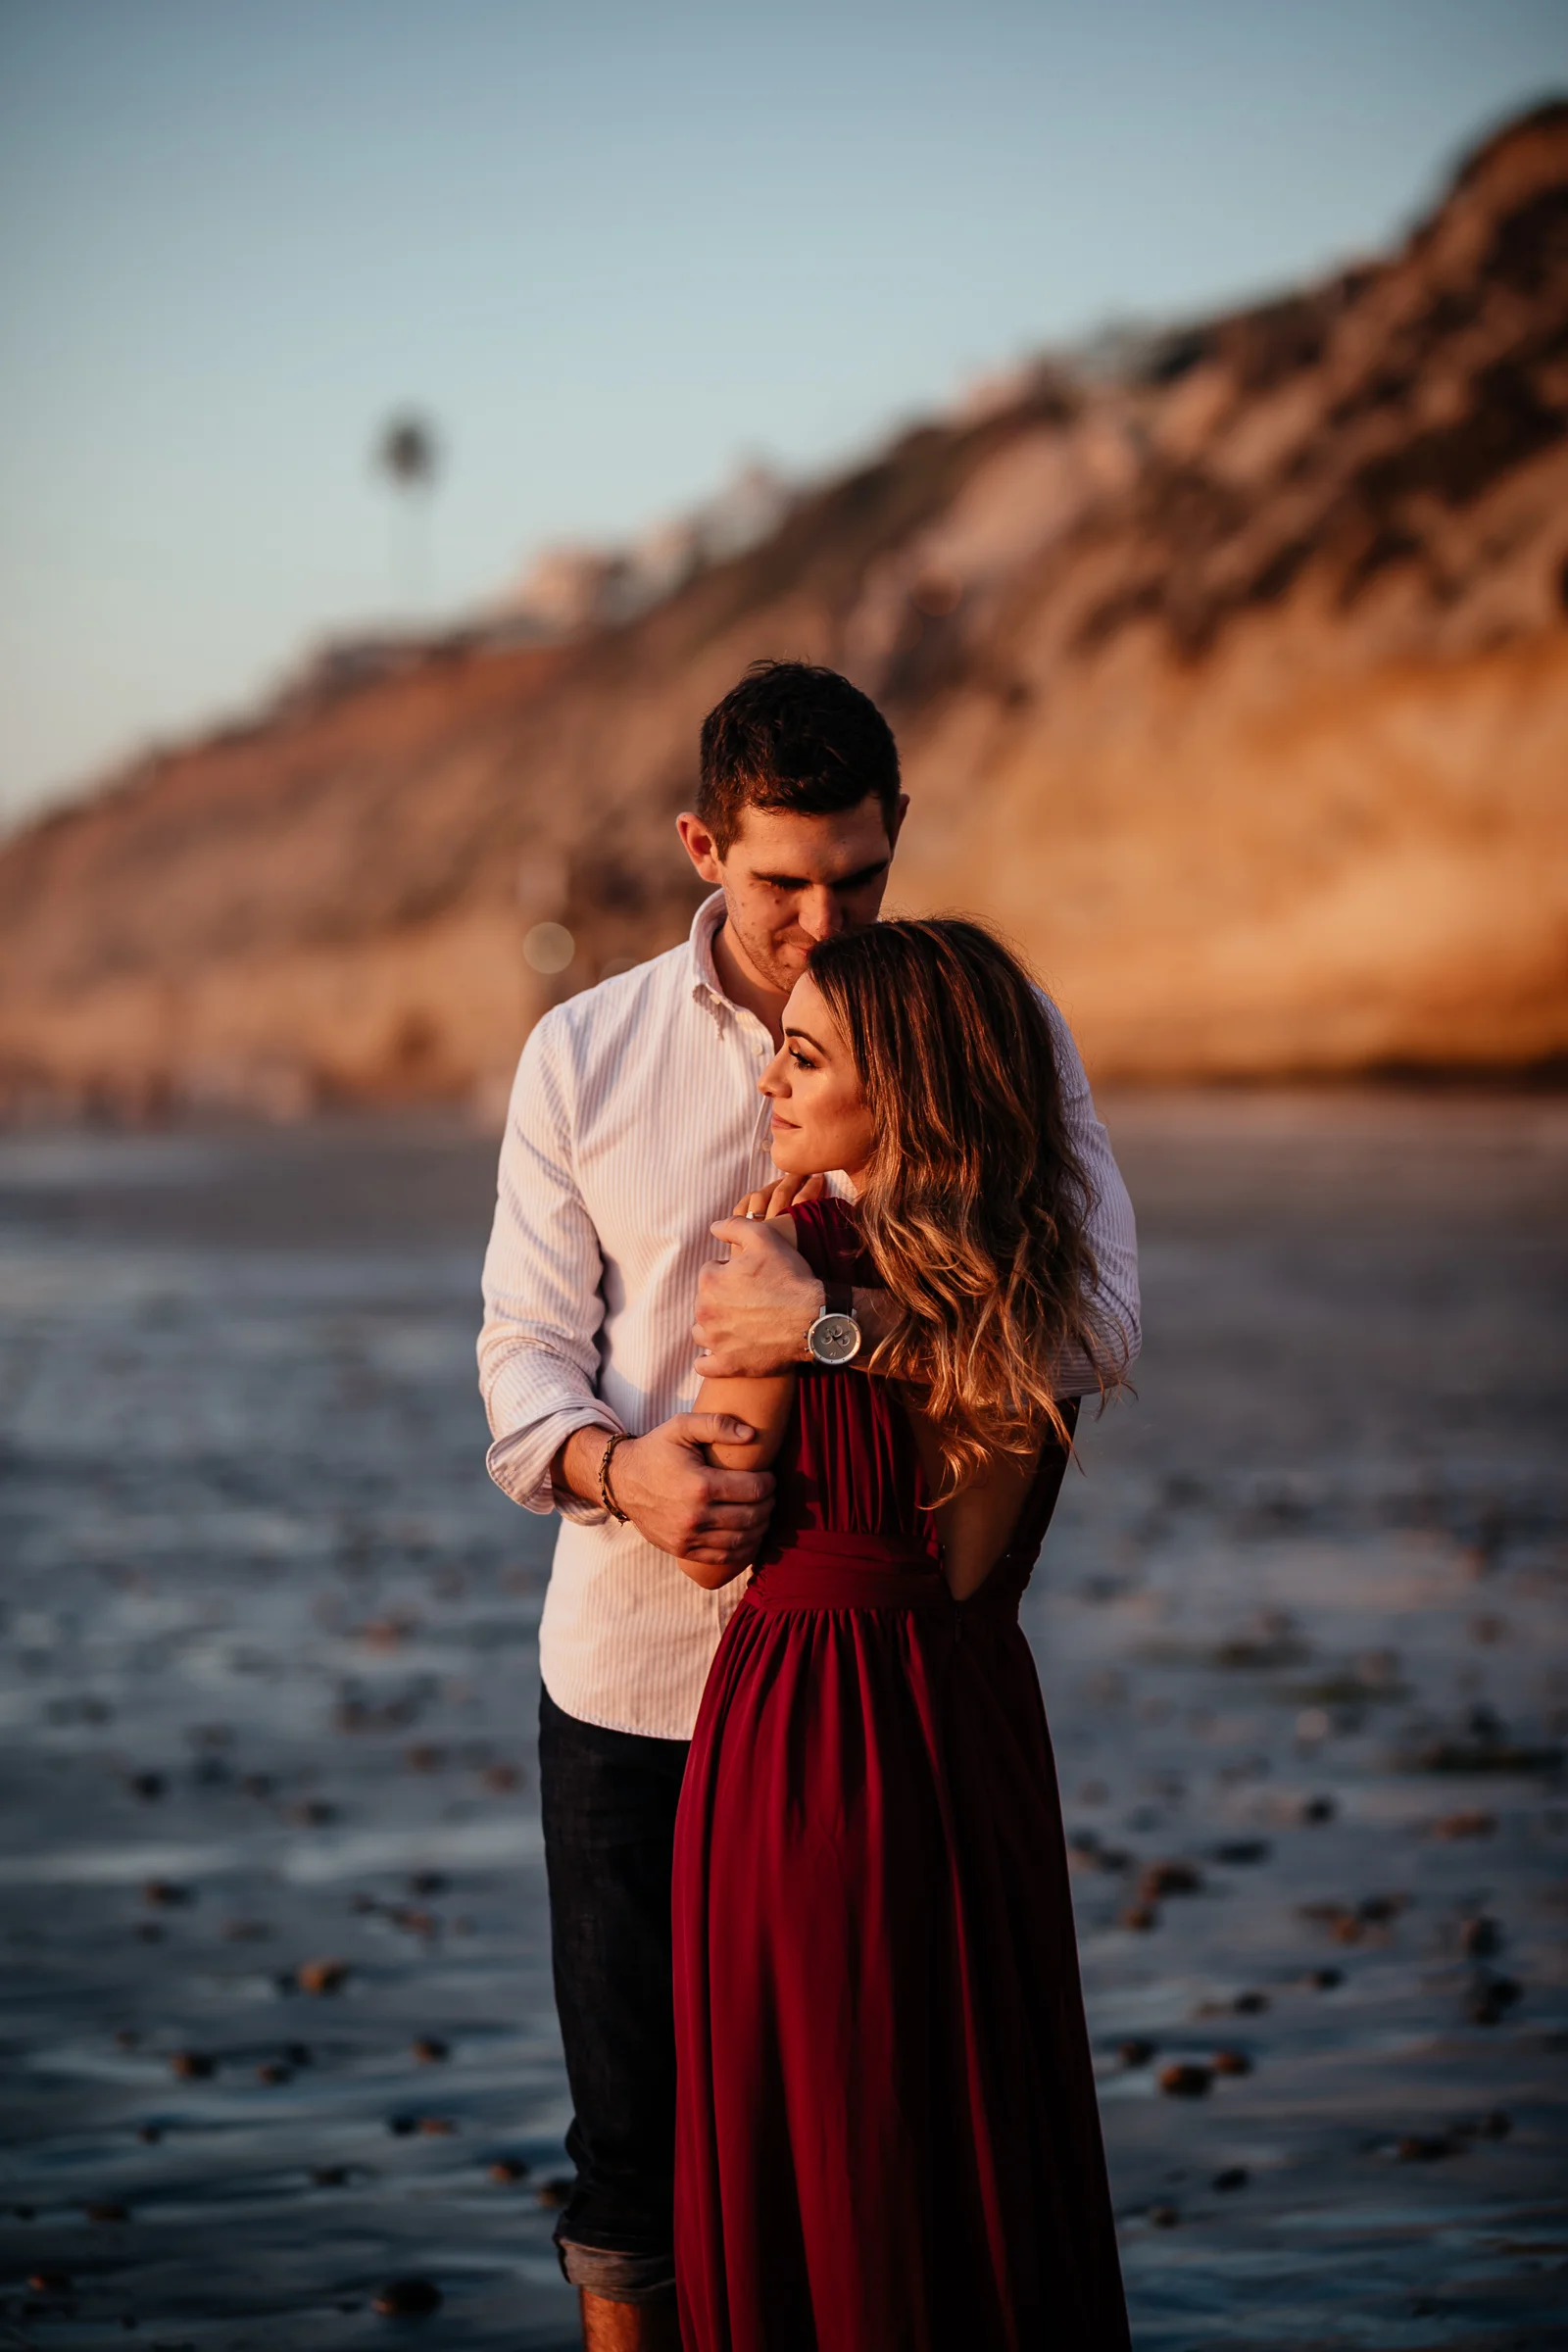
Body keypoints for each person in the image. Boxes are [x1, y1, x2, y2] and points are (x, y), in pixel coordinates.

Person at [477, 661, 1139, 2351]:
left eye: (861, 876)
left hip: (887, 1698)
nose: (824, 919)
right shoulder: (584, 1053)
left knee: (897, 2135)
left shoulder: (984, 1023)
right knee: (639, 2167)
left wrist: (832, 1326)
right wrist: (623, 1469)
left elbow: (1095, 1328)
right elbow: (522, 1370)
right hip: (632, 1680)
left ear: (899, 836)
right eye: (784, 882)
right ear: (705, 844)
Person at [670, 918, 1130, 2350]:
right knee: (973, 2113)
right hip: (974, 1726)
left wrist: (764, 1363)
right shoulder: (1035, 1272)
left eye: (805, 1057)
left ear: (906, 1090)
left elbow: (713, 1541)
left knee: (825, 2119)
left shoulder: (780, 1264)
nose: (772, 1087)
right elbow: (988, 1511)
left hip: (805, 1740)